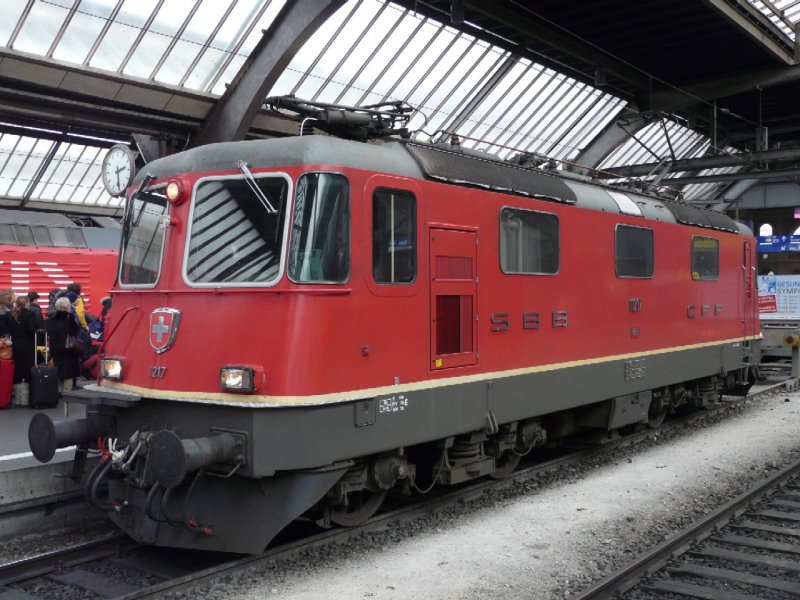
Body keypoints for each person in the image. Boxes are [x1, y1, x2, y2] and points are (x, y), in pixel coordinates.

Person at [47, 296, 80, 393]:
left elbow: (49, 333)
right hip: (68, 348)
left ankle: (58, 391)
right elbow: (75, 331)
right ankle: (67, 393)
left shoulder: (51, 318)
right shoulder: (70, 317)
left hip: (55, 348)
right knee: (68, 373)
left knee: (58, 370)